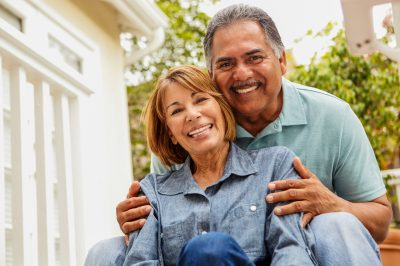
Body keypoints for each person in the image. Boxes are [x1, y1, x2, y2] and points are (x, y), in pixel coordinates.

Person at [118, 3, 392, 242]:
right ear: (211, 75)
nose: (242, 73)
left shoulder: (333, 116)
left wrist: (332, 205)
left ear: (281, 60)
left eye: (255, 57)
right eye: (226, 64)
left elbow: (380, 223)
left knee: (337, 223)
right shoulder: (194, 132)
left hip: (307, 252)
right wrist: (138, 220)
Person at [89, 65, 320, 265]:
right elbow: (140, 262)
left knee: (210, 249)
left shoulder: (276, 166)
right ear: (171, 132)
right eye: (177, 110)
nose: (192, 114)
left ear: (221, 107)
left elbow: (293, 251)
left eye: (201, 100)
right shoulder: (152, 193)